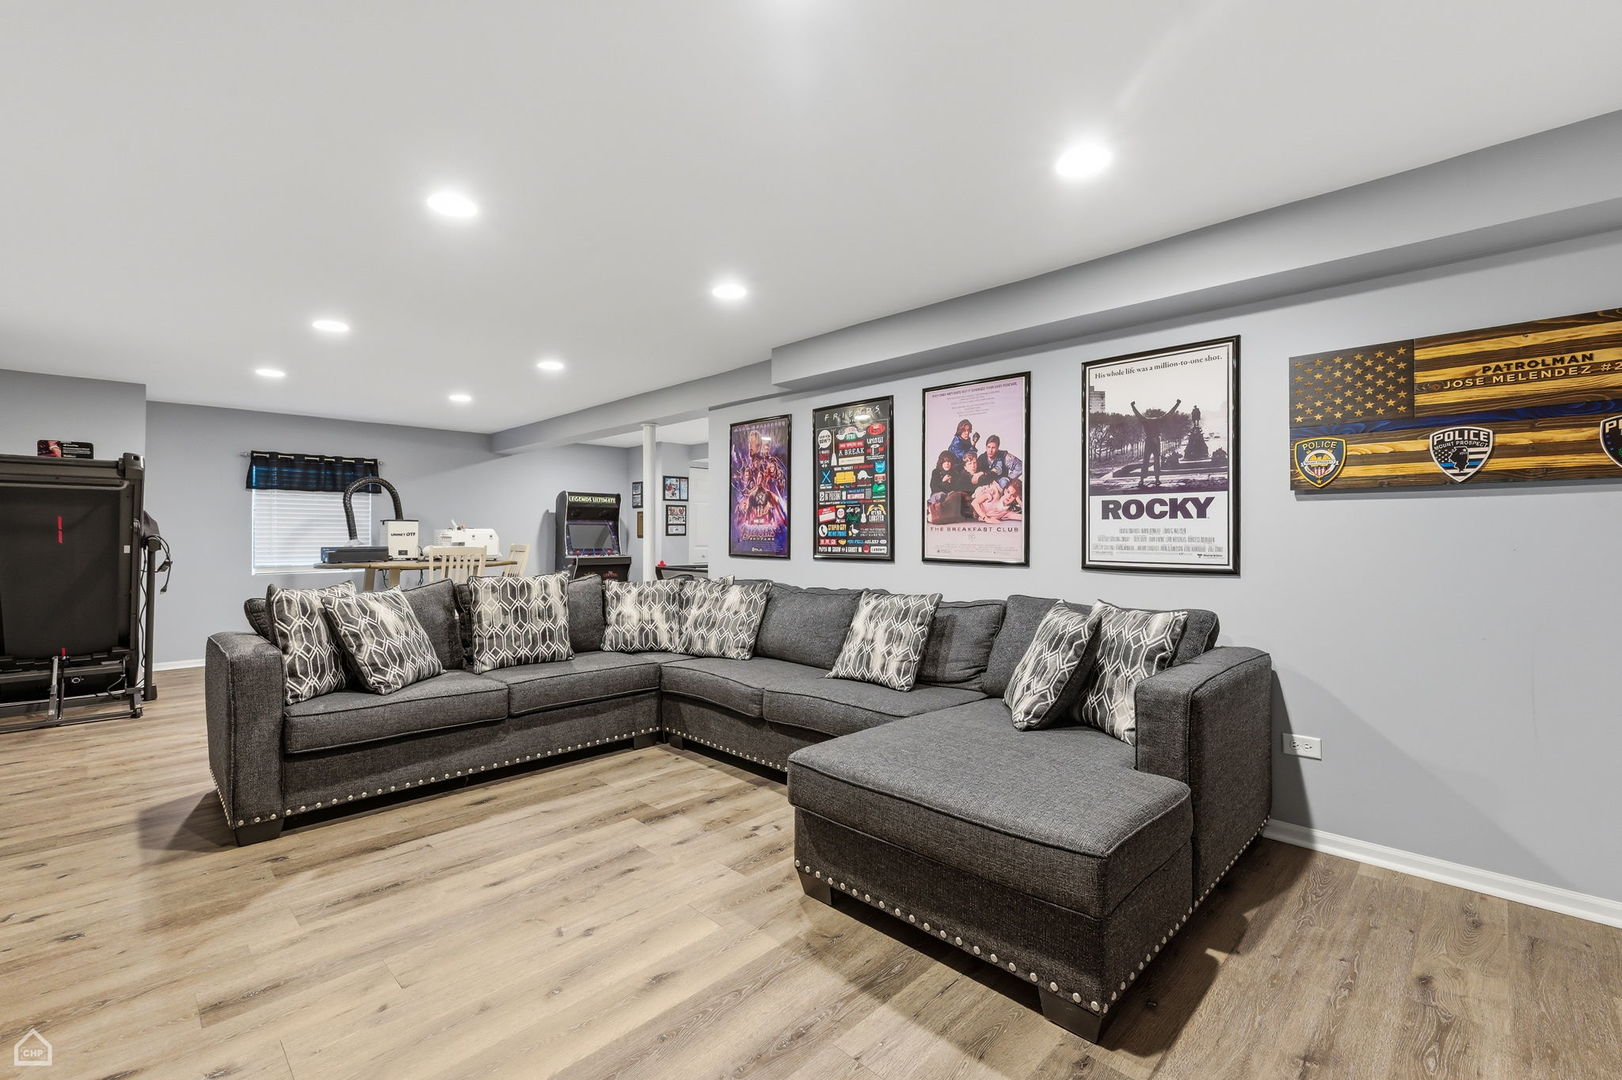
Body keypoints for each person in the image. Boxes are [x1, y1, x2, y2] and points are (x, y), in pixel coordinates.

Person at [1130, 399, 1181, 489]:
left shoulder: (1145, 420)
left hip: (1149, 440)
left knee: (1146, 460)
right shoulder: (1159, 420)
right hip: (1156, 441)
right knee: (1157, 461)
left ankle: (1142, 479)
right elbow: (1170, 413)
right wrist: (1177, 404)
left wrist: (1133, 406)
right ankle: (1157, 479)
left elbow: (1137, 414)